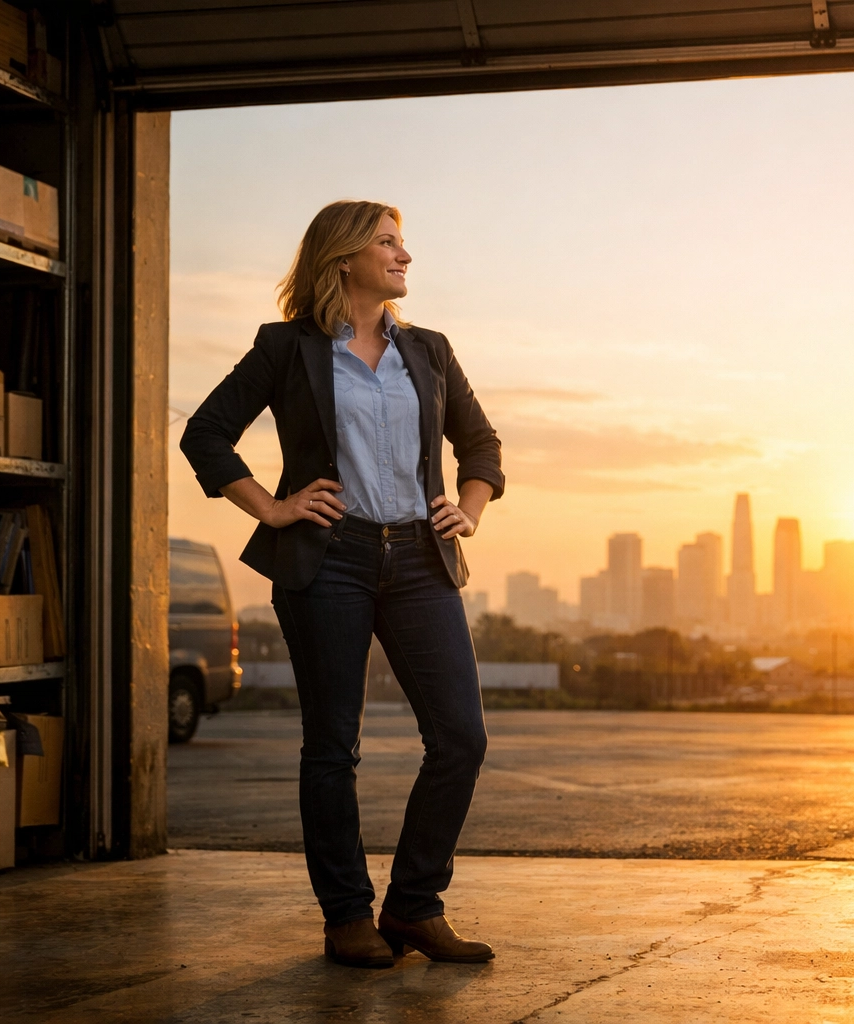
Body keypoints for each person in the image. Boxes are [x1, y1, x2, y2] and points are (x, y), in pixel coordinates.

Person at [180, 200, 503, 968]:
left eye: (403, 242)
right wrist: (275, 506)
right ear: (345, 257)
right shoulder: (287, 347)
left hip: (422, 560)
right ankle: (346, 917)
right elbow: (205, 433)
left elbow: (480, 442)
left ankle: (415, 907)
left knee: (461, 737)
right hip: (330, 558)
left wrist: (471, 509)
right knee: (333, 746)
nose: (405, 257)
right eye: (389, 243)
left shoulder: (428, 349)